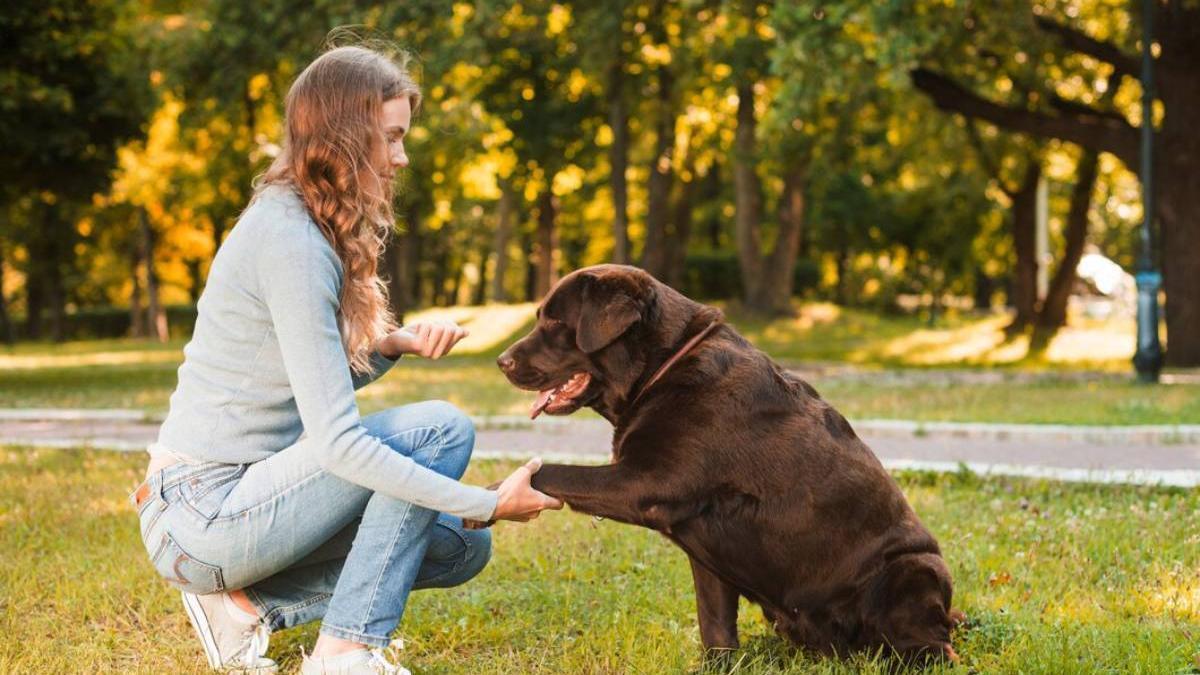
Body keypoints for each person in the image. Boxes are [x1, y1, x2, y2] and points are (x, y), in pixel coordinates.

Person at [129, 44, 562, 675]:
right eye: (390, 138)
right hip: (200, 510)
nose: (401, 157)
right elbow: (337, 445)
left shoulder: (303, 224)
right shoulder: (292, 243)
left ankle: (246, 607)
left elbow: (303, 379)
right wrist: (486, 500)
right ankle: (345, 653)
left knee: (456, 550)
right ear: (343, 139)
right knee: (440, 429)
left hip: (244, 501)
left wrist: (389, 346)